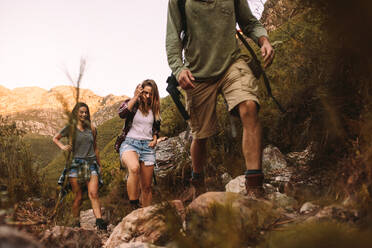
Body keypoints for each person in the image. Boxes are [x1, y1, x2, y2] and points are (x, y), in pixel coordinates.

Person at [166, 0, 275, 198]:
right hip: (196, 75)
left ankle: (255, 185)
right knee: (201, 135)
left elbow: (249, 22)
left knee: (249, 106)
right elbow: (172, 38)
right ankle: (198, 182)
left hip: (232, 63)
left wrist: (264, 40)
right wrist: (178, 69)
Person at [53, 102, 107, 230]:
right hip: (75, 165)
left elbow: (95, 148)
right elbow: (55, 138)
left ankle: (99, 222)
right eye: (81, 112)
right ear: (76, 113)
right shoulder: (70, 128)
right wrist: (63, 146)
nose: (84, 114)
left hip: (91, 164)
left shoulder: (92, 128)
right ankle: (76, 222)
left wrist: (99, 165)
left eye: (86, 112)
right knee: (78, 196)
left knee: (93, 193)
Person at [118, 79, 161, 209]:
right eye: (145, 93)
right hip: (130, 144)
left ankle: (145, 214)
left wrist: (154, 139)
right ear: (140, 91)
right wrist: (135, 96)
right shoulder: (133, 104)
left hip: (147, 147)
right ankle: (133, 206)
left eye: (150, 94)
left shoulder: (154, 109)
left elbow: (156, 129)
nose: (147, 96)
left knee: (147, 187)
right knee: (134, 168)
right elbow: (122, 113)